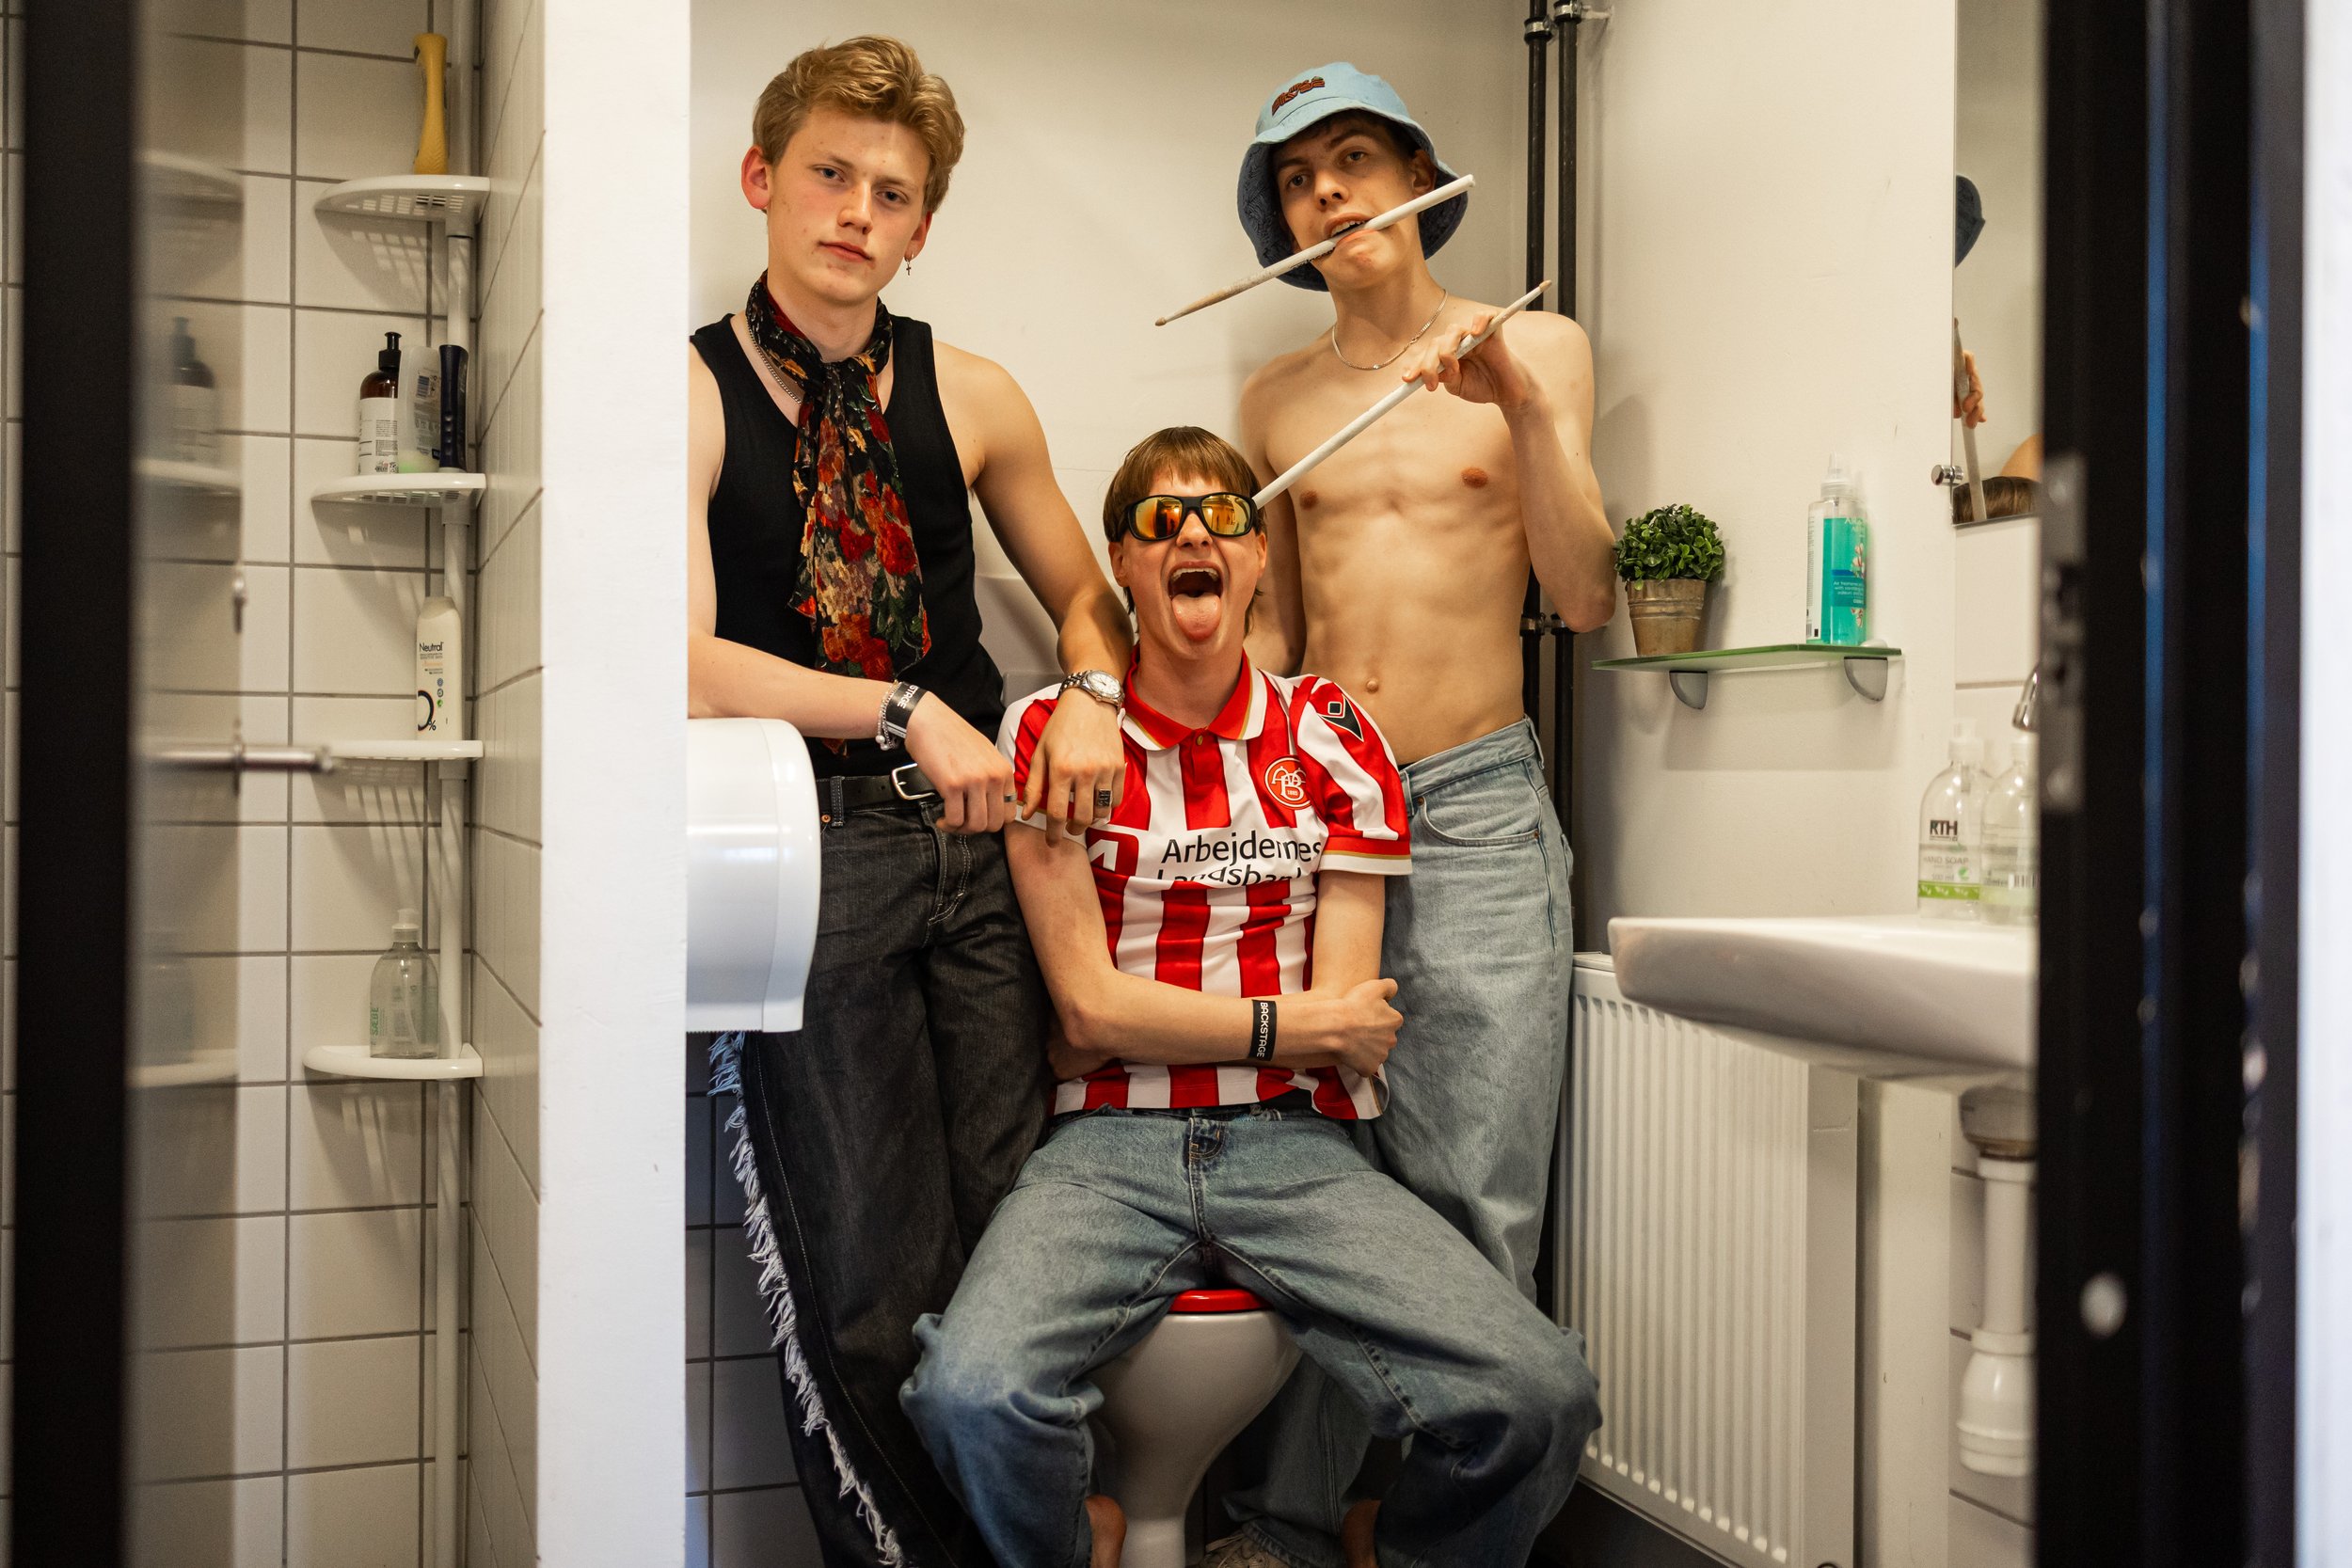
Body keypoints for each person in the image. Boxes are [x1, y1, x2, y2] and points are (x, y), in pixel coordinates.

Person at [899, 426, 1602, 1568]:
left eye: (1222, 518)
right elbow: (1088, 1012)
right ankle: (1081, 1538)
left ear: (1259, 558)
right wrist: (1290, 1025)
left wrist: (1272, 1028)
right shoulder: (1051, 736)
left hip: (1293, 1145)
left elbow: (1346, 1015)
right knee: (969, 1395)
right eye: (1158, 521)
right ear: (1122, 567)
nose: (1192, 535)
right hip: (1105, 1152)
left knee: (1540, 1391)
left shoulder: (1330, 735)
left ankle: (1405, 1547)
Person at [688, 36, 1132, 1568]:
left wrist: (1085, 690)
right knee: (864, 1281)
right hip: (803, 850)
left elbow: (1085, 600)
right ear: (762, 180)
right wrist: (900, 706)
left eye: (893, 192)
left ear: (923, 225)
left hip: (984, 845)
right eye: (829, 173)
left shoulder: (979, 393)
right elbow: (682, 662)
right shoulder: (685, 391)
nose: (856, 212)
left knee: (1015, 1239)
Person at [1219, 64, 1618, 1568]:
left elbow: (1582, 592)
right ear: (1285, 225)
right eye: (1302, 179)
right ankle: (1295, 1521)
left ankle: (1447, 1537)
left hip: (1470, 803)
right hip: (1318, 811)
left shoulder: (1542, 345)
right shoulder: (1272, 401)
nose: (1332, 192)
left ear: (1421, 179)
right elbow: (1276, 639)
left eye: (1358, 159)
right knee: (1336, 1193)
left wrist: (1517, 399)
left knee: (1480, 1196)